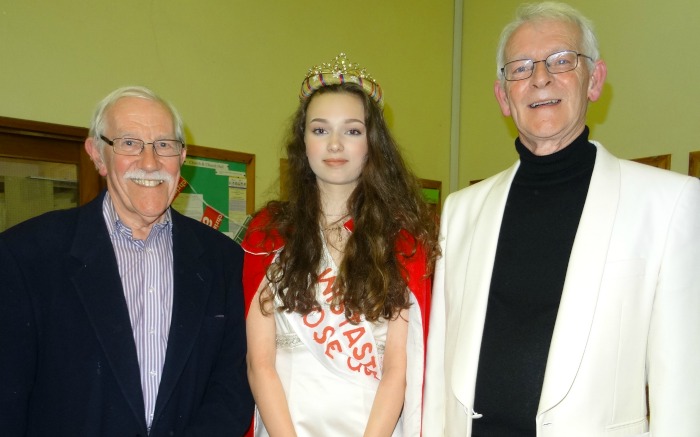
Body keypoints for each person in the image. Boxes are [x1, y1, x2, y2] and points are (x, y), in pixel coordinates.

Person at [422, 2, 700, 436]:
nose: (539, 78)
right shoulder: (461, 211)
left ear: (595, 80)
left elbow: (683, 391)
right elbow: (440, 369)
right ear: (502, 96)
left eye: (561, 60)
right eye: (520, 68)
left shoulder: (668, 203)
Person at [0, 86, 254, 436]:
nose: (150, 163)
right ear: (98, 155)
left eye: (164, 144)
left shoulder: (222, 258)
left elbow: (232, 386)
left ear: (182, 157)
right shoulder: (26, 255)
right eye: (129, 143)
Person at [242, 53, 439, 436]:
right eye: (320, 130)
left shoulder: (401, 241)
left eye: (351, 131)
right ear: (303, 142)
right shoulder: (269, 233)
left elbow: (398, 368)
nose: (335, 144)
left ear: (372, 143)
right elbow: (259, 363)